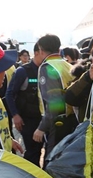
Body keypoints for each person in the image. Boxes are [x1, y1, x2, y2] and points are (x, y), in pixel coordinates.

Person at [32, 34, 74, 162]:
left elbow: (53, 102)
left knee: (51, 161)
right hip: (71, 118)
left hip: (57, 122)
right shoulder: (67, 65)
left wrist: (41, 128)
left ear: (41, 50)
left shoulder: (47, 67)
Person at [5, 43, 45, 166]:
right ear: (37, 53)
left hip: (44, 118)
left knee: (40, 150)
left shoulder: (47, 70)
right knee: (32, 151)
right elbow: (9, 94)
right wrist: (15, 115)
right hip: (28, 119)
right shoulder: (23, 71)